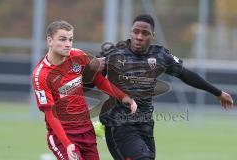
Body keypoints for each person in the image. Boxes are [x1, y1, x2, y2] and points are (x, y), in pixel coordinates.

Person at [99, 14, 234, 160]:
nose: (139, 36)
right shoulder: (115, 54)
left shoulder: (160, 55)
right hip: (119, 125)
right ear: (130, 33)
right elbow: (90, 80)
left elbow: (186, 75)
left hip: (145, 126)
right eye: (136, 32)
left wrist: (217, 92)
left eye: (145, 33)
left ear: (152, 36)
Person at [31, 20, 137, 160]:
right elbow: (50, 114)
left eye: (70, 39)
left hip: (86, 132)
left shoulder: (77, 56)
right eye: (62, 39)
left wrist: (123, 97)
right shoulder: (41, 75)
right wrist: (67, 143)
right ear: (50, 40)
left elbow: (99, 80)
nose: (68, 44)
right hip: (63, 136)